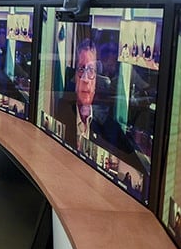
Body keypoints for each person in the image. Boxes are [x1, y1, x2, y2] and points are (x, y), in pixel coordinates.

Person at [55, 39, 144, 173]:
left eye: (91, 70)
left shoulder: (109, 127)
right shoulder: (62, 110)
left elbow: (137, 171)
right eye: (81, 69)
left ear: (98, 80)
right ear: (75, 77)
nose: (85, 79)